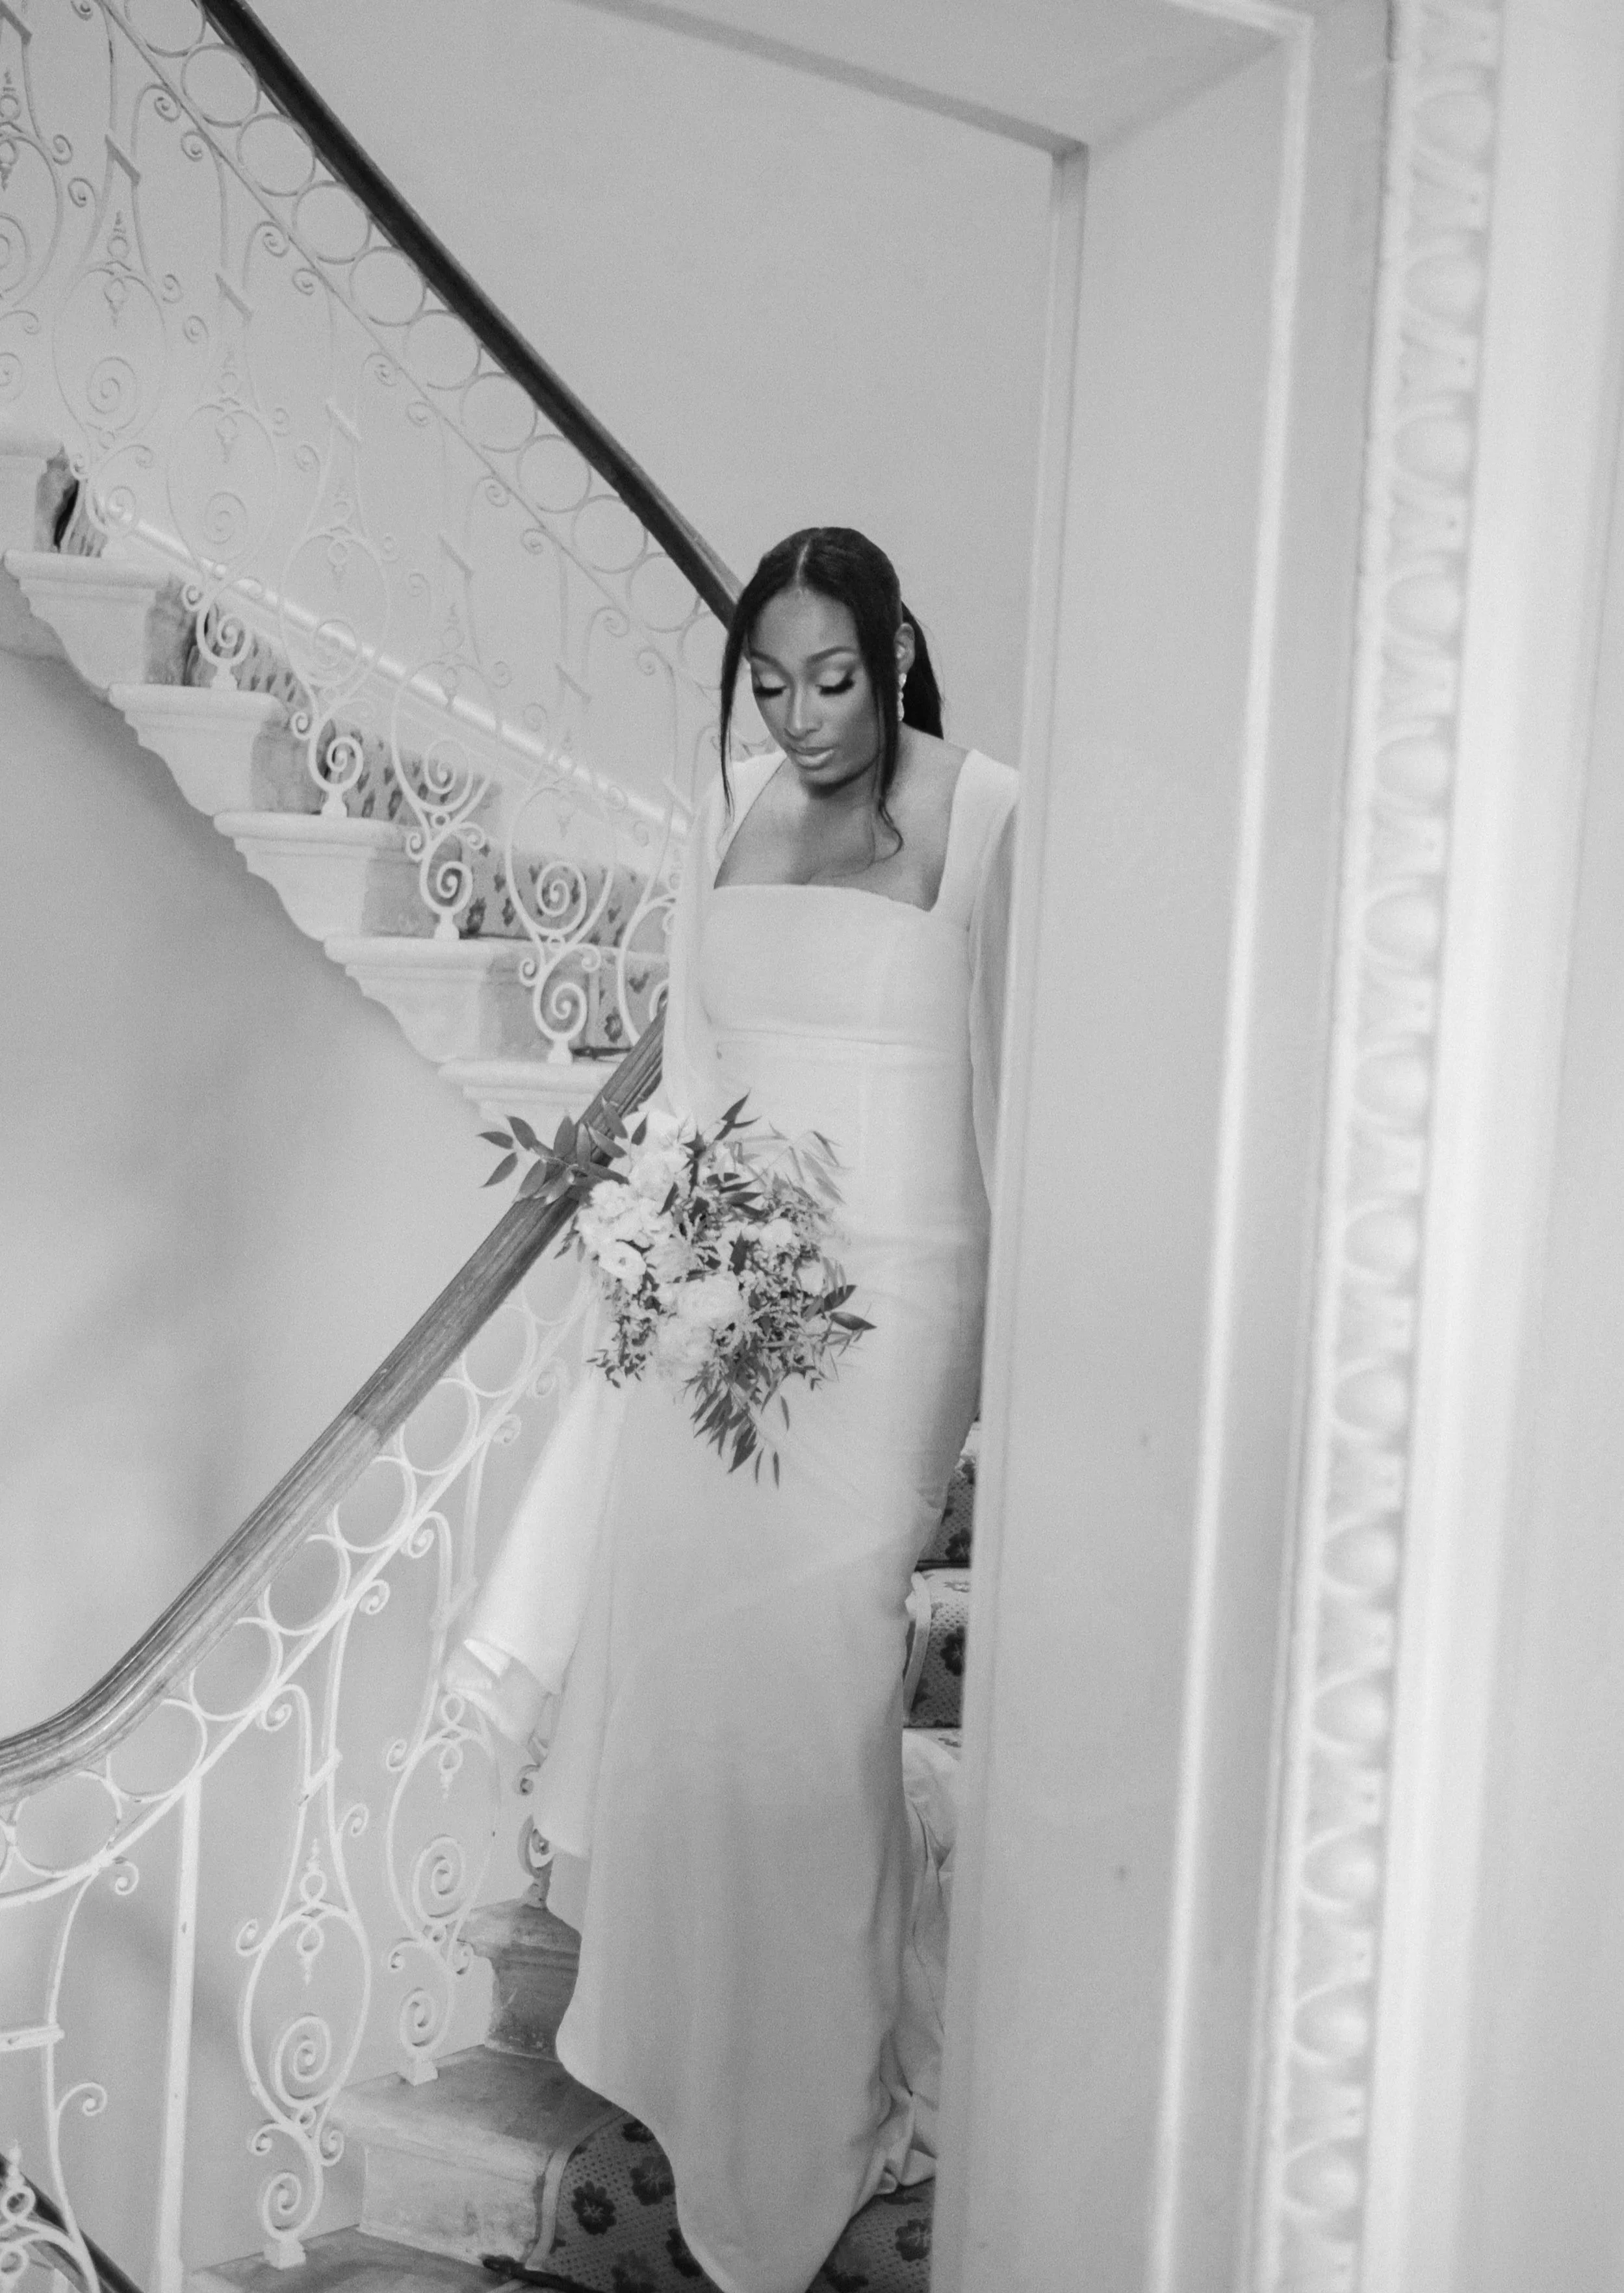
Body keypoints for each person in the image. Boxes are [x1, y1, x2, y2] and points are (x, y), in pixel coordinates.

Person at [446, 527, 1016, 2293]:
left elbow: (1020, 1090)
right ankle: (697, 2068)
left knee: (823, 1690)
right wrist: (663, 1260)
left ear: (896, 649)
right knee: (700, 1688)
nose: (801, 718)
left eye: (831, 679)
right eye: (768, 686)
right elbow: (700, 1065)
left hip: (904, 1309)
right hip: (729, 1305)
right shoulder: (736, 813)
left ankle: (826, 2094)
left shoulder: (993, 816)